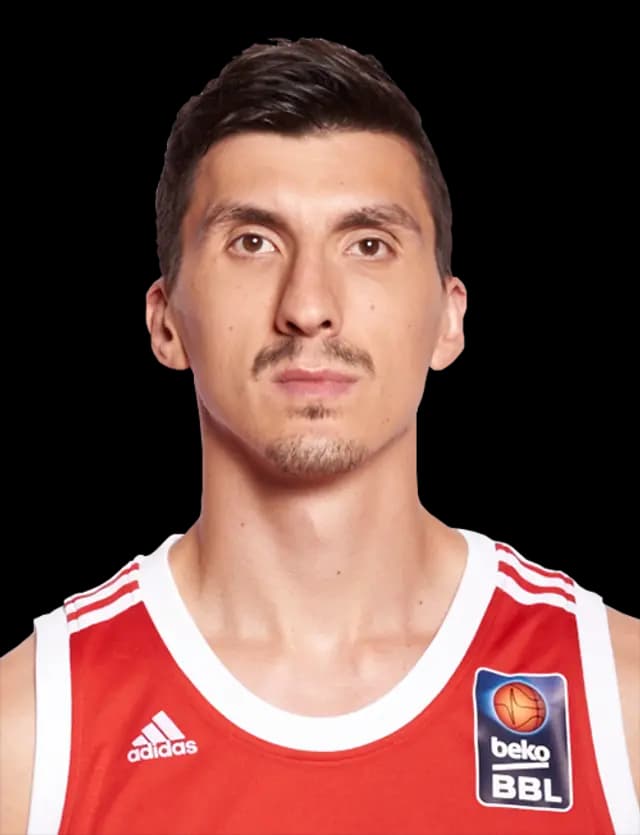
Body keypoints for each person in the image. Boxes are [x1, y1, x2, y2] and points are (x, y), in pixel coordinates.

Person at [1, 35, 638, 835]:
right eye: (253, 242)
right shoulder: (31, 734)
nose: (308, 307)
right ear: (166, 323)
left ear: (449, 319)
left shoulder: (616, 700)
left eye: (368, 245)